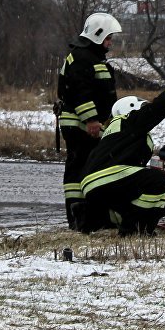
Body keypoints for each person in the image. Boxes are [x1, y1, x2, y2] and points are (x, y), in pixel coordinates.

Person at [77, 79, 165, 235]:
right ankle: (137, 229)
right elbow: (159, 107)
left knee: (139, 196)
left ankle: (97, 219)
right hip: (108, 177)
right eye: (141, 108)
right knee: (156, 180)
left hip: (95, 184)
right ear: (129, 109)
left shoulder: (115, 133)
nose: (144, 111)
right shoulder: (128, 121)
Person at [57, 12, 121, 229]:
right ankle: (77, 215)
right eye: (108, 38)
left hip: (87, 125)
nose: (110, 42)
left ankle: (86, 216)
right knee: (79, 167)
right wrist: (91, 120)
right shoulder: (83, 58)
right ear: (97, 35)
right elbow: (80, 93)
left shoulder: (91, 58)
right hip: (80, 125)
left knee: (86, 166)